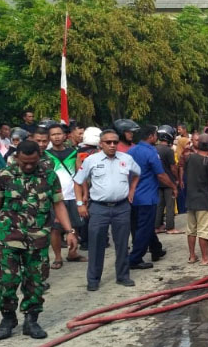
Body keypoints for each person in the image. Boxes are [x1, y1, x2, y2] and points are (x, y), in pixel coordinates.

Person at [0, 140, 78, 340]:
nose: (28, 166)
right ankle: (8, 318)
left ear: (39, 158)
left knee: (35, 282)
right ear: (17, 158)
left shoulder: (49, 177)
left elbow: (58, 205)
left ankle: (31, 321)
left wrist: (69, 231)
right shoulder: (4, 176)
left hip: (38, 239)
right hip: (8, 238)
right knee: (6, 282)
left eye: (33, 162)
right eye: (25, 162)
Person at [74, 129, 141, 291]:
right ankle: (93, 279)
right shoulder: (91, 160)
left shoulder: (126, 158)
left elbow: (137, 173)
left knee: (123, 243)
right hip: (99, 208)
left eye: (115, 142)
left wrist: (132, 190)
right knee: (96, 244)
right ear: (101, 144)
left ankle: (123, 276)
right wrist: (80, 203)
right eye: (108, 142)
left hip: (122, 207)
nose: (112, 145)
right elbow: (77, 181)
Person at [128, 125, 178, 269]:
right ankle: (135, 258)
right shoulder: (151, 152)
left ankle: (156, 249)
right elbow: (161, 174)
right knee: (144, 228)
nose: (156, 137)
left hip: (133, 196)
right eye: (155, 135)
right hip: (146, 196)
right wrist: (173, 186)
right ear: (151, 136)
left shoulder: (132, 151)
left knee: (143, 226)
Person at [45, 123, 86, 269]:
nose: (56, 137)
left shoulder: (73, 153)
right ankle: (57, 257)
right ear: (49, 137)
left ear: (65, 136)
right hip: (56, 198)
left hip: (73, 196)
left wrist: (84, 194)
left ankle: (73, 253)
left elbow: (80, 175)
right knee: (55, 228)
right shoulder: (46, 155)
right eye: (53, 134)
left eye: (59, 134)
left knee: (75, 226)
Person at [184, 133, 208, 265]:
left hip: (190, 198)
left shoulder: (190, 158)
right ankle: (205, 258)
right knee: (204, 231)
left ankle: (192, 256)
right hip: (204, 199)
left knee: (191, 230)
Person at [155, 125, 182, 235]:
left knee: (159, 205)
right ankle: (170, 227)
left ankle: (157, 226)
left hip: (157, 181)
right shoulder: (168, 151)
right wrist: (177, 179)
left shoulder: (154, 148)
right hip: (169, 182)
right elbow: (173, 168)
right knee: (170, 205)